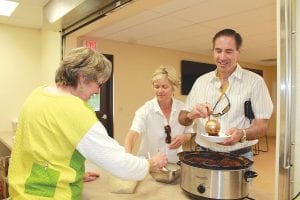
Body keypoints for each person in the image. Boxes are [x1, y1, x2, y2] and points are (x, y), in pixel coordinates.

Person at [8, 47, 167, 199]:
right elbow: (118, 163)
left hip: (21, 191)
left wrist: (69, 173)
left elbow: (40, 148)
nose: (98, 91)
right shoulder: (76, 111)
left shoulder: (37, 94)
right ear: (83, 78)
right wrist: (151, 164)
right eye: (98, 84)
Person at [178, 28, 273, 160]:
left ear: (238, 53)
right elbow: (182, 119)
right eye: (218, 51)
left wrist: (242, 133)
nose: (222, 57)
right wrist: (191, 114)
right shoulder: (201, 81)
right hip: (203, 153)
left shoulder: (255, 82)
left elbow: (262, 126)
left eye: (228, 51)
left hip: (239, 156)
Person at [124, 66, 194, 163]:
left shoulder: (184, 109)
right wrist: (127, 156)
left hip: (175, 164)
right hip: (150, 164)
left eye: (164, 87)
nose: (160, 91)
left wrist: (184, 138)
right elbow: (133, 134)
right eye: (157, 87)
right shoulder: (145, 110)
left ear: (173, 88)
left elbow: (189, 132)